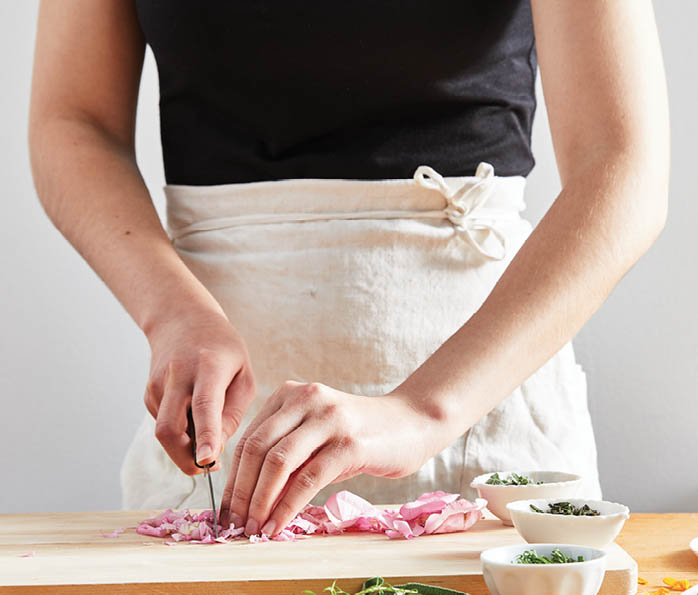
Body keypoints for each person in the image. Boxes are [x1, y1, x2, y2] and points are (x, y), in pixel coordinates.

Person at [29, 1, 668, 538]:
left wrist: (423, 411)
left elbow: (622, 162)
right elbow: (72, 121)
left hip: (481, 399)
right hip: (222, 418)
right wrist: (173, 311)